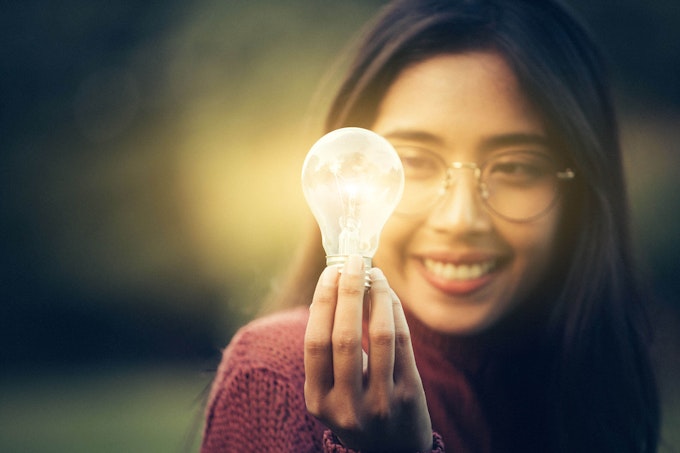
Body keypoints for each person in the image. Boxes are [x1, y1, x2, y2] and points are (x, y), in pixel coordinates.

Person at [200, 0, 660, 451]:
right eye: (414, 161)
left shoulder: (586, 395)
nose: (461, 220)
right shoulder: (279, 379)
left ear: (582, 188)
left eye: (517, 168)